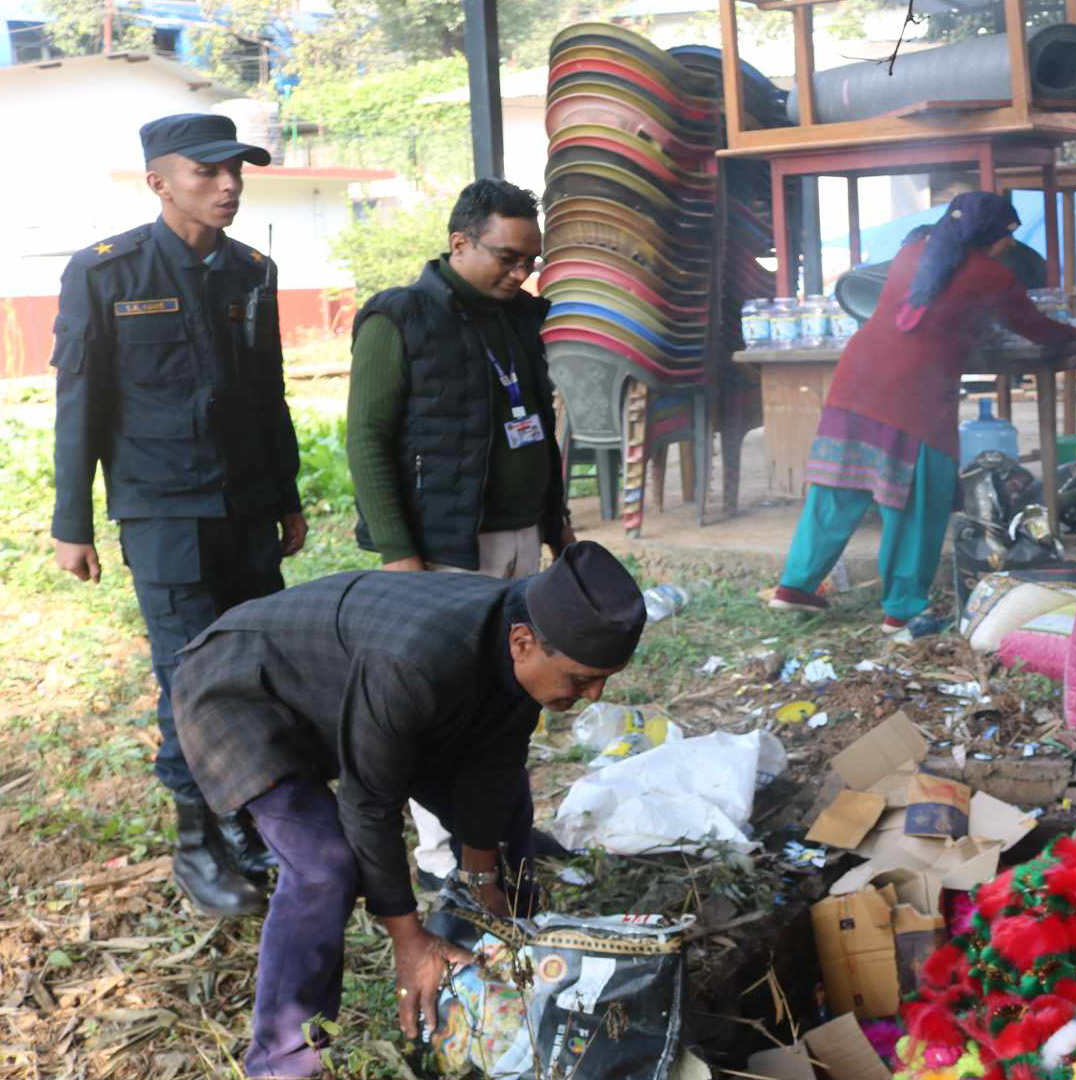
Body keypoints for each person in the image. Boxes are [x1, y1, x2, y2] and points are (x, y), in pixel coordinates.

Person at [170, 541, 645, 1079]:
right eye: (582, 678)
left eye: (605, 678)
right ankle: (283, 1062)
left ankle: (492, 963)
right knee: (324, 865)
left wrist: (482, 875)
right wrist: (407, 937)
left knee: (507, 814)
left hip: (352, 692)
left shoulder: (520, 624)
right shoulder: (416, 661)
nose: (594, 695)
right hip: (243, 691)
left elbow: (493, 765)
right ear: (523, 642)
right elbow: (369, 802)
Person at [50, 113, 306, 917]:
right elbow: (79, 404)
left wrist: (289, 495)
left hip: (246, 509)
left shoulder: (251, 270)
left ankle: (248, 823)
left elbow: (270, 397)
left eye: (237, 170)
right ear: (159, 182)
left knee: (255, 669)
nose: (228, 185)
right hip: (164, 513)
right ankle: (197, 843)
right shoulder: (105, 274)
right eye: (207, 172)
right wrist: (73, 522)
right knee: (190, 678)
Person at [346, 177, 575, 889]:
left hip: (517, 537)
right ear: (458, 243)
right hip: (444, 547)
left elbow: (538, 427)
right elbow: (367, 439)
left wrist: (556, 525)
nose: (519, 273)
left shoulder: (520, 317)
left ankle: (502, 825)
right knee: (449, 699)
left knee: (512, 692)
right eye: (507, 258)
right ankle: (446, 852)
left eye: (529, 261)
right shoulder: (400, 318)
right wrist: (400, 556)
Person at [768, 191, 1076, 633]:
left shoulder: (914, 250)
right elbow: (1035, 328)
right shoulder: (993, 276)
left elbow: (934, 308)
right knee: (915, 503)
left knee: (838, 487)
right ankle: (903, 609)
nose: (1011, 243)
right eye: (1009, 234)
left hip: (857, 379)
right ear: (992, 235)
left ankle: (795, 587)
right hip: (912, 396)